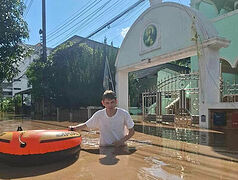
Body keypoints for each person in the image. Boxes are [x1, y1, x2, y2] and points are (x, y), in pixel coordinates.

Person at [68, 90, 135, 147]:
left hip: (120, 147)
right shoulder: (99, 115)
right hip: (104, 147)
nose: (110, 105)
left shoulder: (124, 114)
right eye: (107, 103)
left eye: (112, 102)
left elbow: (132, 131)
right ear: (103, 103)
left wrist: (121, 142)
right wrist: (73, 128)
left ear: (116, 102)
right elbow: (86, 125)